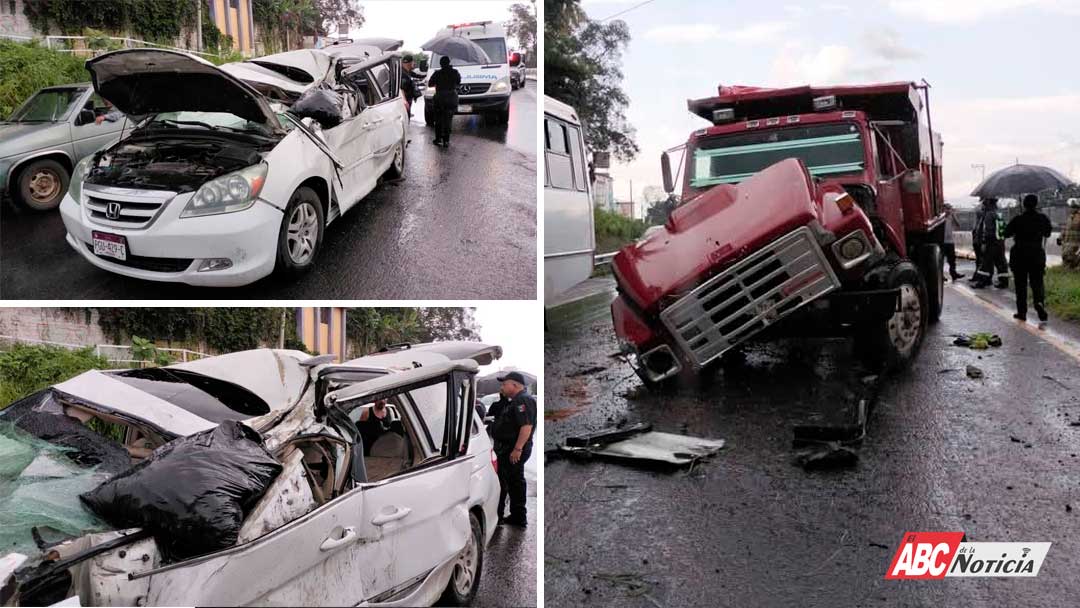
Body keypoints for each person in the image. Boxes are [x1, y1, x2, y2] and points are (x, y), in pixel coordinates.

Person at [487, 371, 535, 527]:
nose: (502, 387)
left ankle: (512, 516)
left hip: (514, 449)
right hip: (509, 447)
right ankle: (517, 516)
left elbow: (526, 426)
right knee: (513, 482)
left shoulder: (523, 400)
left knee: (510, 481)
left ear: (514, 385)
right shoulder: (515, 400)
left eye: (504, 384)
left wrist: (518, 449)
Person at [1004, 194, 1053, 322]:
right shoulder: (1042, 218)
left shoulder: (1018, 219)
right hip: (1036, 254)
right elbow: (1048, 233)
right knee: (1037, 282)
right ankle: (1039, 302)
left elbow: (1006, 233)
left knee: (1020, 285)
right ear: (1036, 204)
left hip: (1019, 255)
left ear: (1023, 205)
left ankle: (1022, 312)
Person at [971, 197, 1009, 288]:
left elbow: (987, 230)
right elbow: (1002, 228)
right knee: (1001, 262)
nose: (983, 205)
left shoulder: (989, 215)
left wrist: (984, 242)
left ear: (988, 203)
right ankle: (1004, 282)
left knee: (986, 262)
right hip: (1000, 241)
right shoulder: (999, 213)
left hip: (991, 241)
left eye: (984, 203)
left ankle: (982, 282)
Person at [427, 55, 461, 147]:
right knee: (448, 119)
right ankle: (446, 140)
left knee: (438, 120)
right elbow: (458, 82)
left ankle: (438, 139)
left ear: (440, 64)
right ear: (449, 63)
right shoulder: (455, 72)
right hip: (451, 98)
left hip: (440, 98)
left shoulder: (437, 73)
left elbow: (430, 84)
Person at [941, 204, 964, 281]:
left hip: (950, 241)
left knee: (952, 259)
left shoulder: (951, 217)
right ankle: (941, 275)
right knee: (941, 260)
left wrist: (954, 216)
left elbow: (958, 225)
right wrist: (944, 215)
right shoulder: (941, 217)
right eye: (946, 209)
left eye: (949, 209)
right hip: (942, 241)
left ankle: (954, 274)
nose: (948, 210)